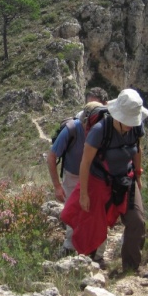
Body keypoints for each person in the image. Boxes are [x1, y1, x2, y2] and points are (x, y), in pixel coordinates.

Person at [60, 88, 148, 273]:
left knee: (137, 222)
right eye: (128, 121)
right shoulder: (100, 131)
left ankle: (131, 269)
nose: (131, 126)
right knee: (93, 225)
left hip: (126, 179)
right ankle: (89, 268)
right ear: (117, 117)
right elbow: (85, 163)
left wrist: (138, 175)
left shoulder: (136, 127)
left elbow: (137, 150)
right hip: (98, 181)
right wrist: (84, 194)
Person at [46, 86, 108, 259]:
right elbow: (51, 157)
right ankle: (70, 249)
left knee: (98, 214)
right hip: (73, 176)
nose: (91, 112)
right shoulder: (73, 128)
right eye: (89, 106)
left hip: (97, 177)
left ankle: (97, 253)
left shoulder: (109, 127)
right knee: (74, 211)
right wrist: (58, 187)